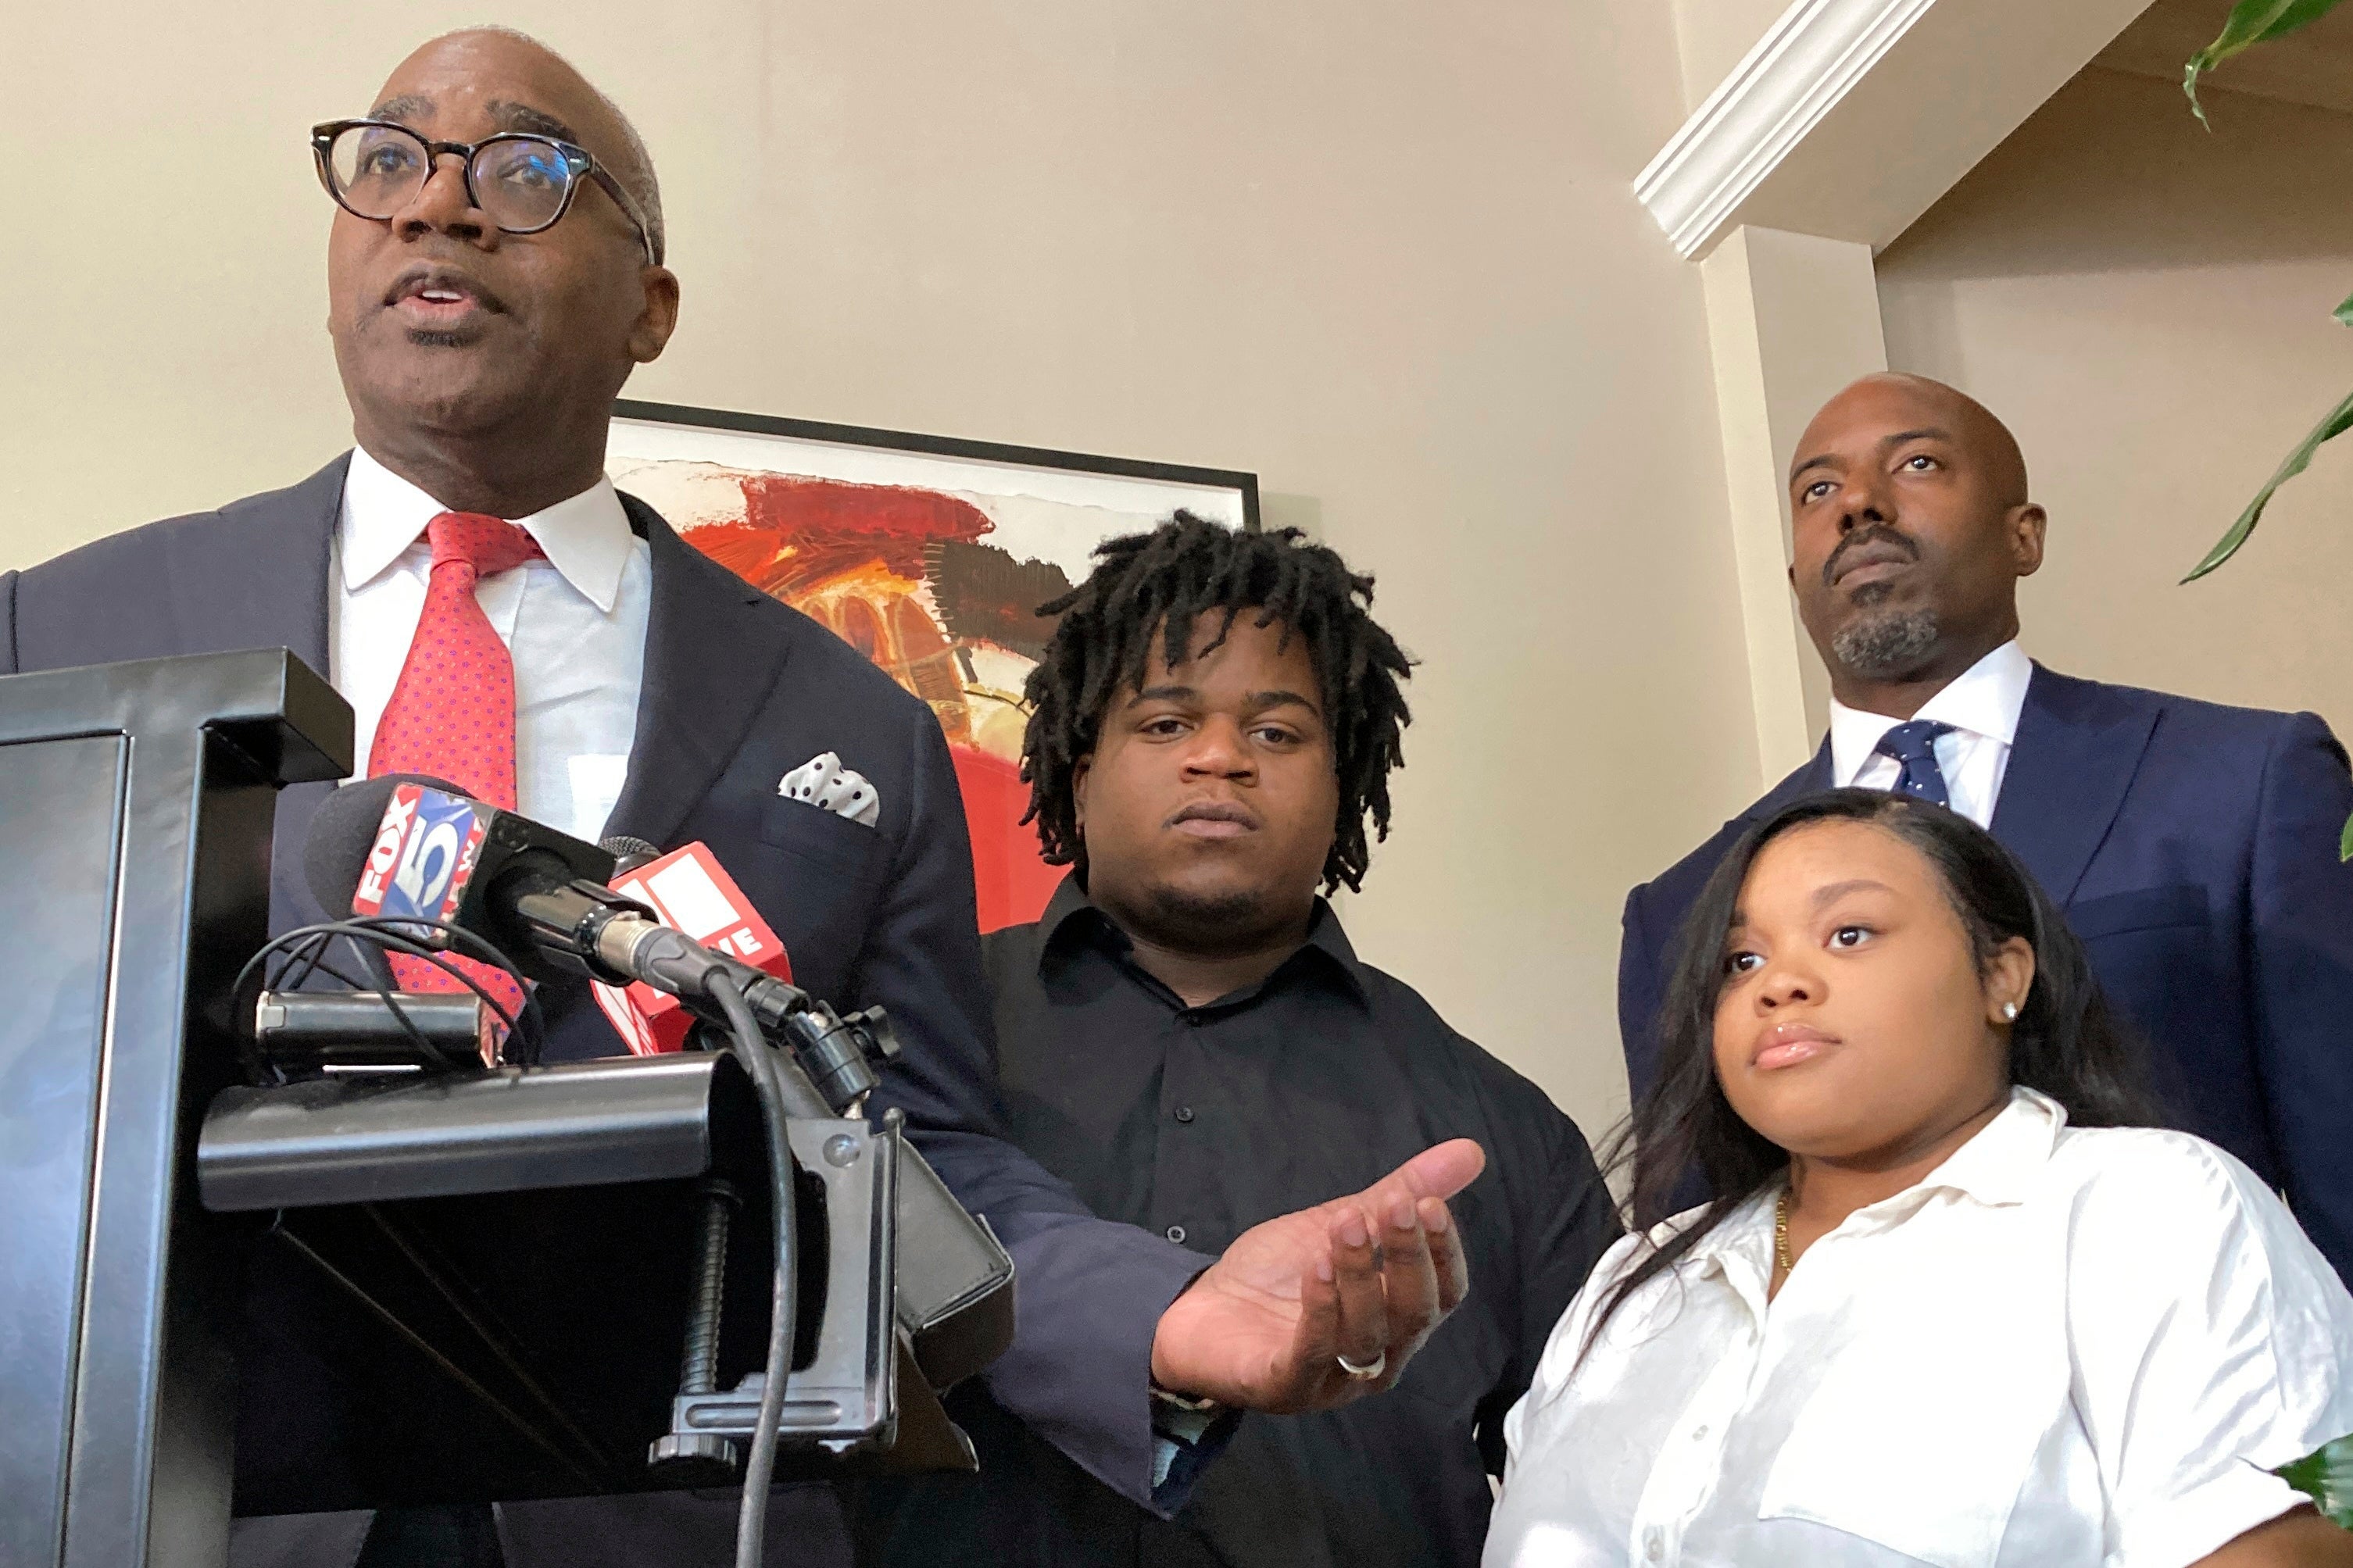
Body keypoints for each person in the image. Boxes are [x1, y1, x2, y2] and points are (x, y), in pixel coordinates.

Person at [0, 30, 1483, 1567]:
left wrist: (1153, 1311)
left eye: (523, 169)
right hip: (175, 1510)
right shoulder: (65, 635)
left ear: (650, 303)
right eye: (387, 159)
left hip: (669, 1521)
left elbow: (911, 1149)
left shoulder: (847, 726)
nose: (435, 207)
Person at [854, 516, 1619, 1567]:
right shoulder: (904, 1048)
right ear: (1078, 770)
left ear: (1343, 781)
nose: (1219, 756)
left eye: (1275, 732)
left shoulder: (1501, 1131)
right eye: (1165, 723)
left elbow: (1606, 1488)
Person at [1495, 788, 2353, 1566]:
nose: (1779, 984)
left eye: (1849, 935)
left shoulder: (2155, 1207)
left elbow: (2297, 1544)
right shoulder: (1636, 1280)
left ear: (2000, 976)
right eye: (1740, 962)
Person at [1617, 372, 2353, 1279]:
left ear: (2023, 535)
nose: (1857, 506)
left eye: (1915, 463)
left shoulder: (2244, 781)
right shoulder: (1683, 908)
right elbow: (1704, 1258)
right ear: (1793, 575)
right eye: (1817, 490)